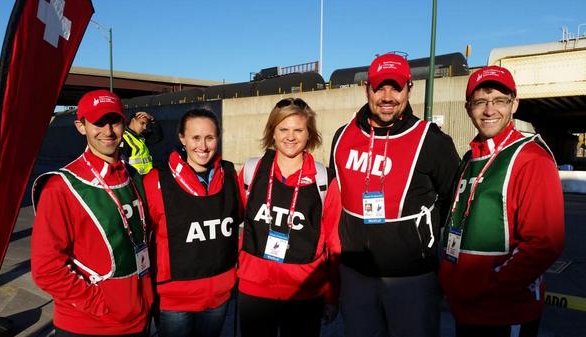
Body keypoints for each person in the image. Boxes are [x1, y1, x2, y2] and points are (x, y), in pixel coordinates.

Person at [329, 53, 460, 337]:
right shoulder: (342, 136)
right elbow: (334, 201)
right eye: (380, 87)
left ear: (409, 89)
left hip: (412, 279)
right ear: (367, 89)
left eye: (396, 87)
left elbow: (454, 205)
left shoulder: (432, 141)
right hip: (356, 277)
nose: (387, 96)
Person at [439, 65, 565, 337]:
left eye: (499, 100)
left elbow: (544, 244)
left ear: (514, 104)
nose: (489, 110)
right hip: (466, 308)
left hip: (503, 312)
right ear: (467, 107)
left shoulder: (531, 159)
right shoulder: (470, 158)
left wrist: (489, 286)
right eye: (481, 101)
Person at [31, 90, 153, 336]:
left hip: (138, 319)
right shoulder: (60, 187)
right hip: (90, 326)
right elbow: (47, 270)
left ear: (124, 123)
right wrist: (102, 305)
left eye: (114, 121)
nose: (107, 131)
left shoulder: (133, 177)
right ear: (81, 126)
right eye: (97, 122)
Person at [237, 98, 341, 337]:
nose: (290, 136)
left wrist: (332, 294)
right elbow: (233, 224)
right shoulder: (253, 171)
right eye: (283, 129)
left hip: (304, 292)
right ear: (272, 132)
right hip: (255, 291)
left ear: (309, 134)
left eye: (298, 130)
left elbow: (334, 243)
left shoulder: (324, 179)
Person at [143, 108, 241, 337]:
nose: (203, 146)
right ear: (182, 138)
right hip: (175, 300)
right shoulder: (156, 180)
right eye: (195, 138)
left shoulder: (230, 175)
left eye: (210, 138)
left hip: (218, 296)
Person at [120, 110, 164, 175]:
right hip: (136, 179)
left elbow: (158, 136)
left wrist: (152, 119)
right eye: (142, 123)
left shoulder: (141, 137)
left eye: (146, 124)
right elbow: (122, 164)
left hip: (148, 177)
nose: (145, 127)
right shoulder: (124, 138)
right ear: (133, 120)